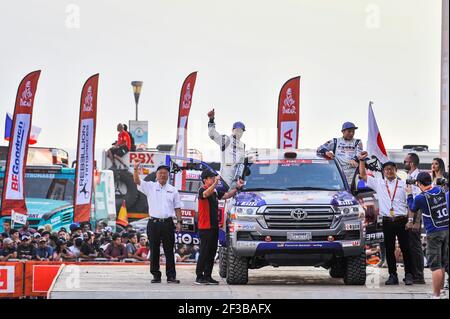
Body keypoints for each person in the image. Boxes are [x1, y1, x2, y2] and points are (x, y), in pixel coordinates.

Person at [359, 151, 414, 285]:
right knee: (389, 249)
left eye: (391, 169)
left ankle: (408, 275)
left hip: (402, 220)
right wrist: (361, 161)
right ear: (383, 171)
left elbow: (410, 204)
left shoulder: (404, 184)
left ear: (396, 170)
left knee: (406, 249)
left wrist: (410, 220)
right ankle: (392, 276)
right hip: (387, 221)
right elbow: (363, 175)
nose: (389, 171)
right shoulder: (379, 183)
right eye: (386, 169)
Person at [133, 160, 183, 284]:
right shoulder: (150, 186)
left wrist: (179, 222)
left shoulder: (173, 190)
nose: (162, 175)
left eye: (165, 173)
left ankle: (171, 276)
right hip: (153, 223)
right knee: (154, 250)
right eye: (160, 173)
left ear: (168, 175)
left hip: (167, 223)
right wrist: (135, 170)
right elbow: (137, 181)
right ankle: (156, 275)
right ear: (156, 175)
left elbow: (177, 208)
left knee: (169, 250)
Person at [195, 170, 244, 285]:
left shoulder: (215, 191)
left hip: (214, 226)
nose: (213, 179)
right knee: (204, 251)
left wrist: (237, 188)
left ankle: (207, 275)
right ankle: (199, 276)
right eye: (211, 178)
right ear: (205, 180)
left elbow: (226, 195)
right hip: (205, 226)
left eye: (214, 177)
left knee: (212, 252)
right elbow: (206, 194)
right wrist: (216, 183)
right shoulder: (202, 190)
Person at [406, 172, 449, 298]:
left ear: (419, 183)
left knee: (435, 266)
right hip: (446, 229)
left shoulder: (421, 197)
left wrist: (409, 194)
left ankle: (436, 295)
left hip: (434, 233)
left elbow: (412, 208)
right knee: (442, 263)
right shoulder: (441, 190)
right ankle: (440, 291)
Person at [207, 109, 246, 189]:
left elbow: (242, 163)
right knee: (224, 197)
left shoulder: (243, 145)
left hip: (237, 179)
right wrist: (211, 120)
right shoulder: (226, 140)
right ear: (232, 130)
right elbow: (212, 134)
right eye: (237, 130)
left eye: (241, 131)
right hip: (226, 178)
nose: (239, 132)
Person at [317, 122, 363, 186]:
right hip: (339, 173)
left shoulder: (357, 142)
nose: (351, 133)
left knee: (353, 193)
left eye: (353, 131)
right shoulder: (335, 141)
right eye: (349, 131)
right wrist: (326, 152)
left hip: (353, 173)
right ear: (343, 132)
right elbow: (319, 148)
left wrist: (354, 159)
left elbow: (360, 154)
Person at [404, 152, 426, 284]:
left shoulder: (417, 177)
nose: (404, 163)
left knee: (415, 246)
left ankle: (419, 275)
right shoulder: (410, 176)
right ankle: (414, 273)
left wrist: (415, 221)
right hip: (410, 215)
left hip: (415, 217)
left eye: (405, 161)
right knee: (412, 245)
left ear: (411, 163)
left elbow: (418, 202)